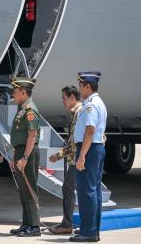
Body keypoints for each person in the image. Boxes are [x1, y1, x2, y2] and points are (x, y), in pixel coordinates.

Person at [70, 72, 107, 243]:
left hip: (89, 149)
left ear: (87, 87)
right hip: (96, 148)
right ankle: (92, 230)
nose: (79, 90)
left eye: (80, 86)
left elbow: (90, 131)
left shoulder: (91, 105)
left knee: (87, 192)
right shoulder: (98, 103)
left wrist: (82, 156)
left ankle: (89, 232)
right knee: (94, 191)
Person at [8, 76, 41, 237]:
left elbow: (32, 136)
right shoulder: (21, 108)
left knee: (29, 188)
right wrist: (14, 156)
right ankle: (27, 223)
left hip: (28, 152)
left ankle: (35, 226)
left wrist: (25, 158)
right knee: (23, 190)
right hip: (20, 151)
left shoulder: (30, 110)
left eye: (15, 91)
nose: (12, 94)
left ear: (23, 92)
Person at [49, 86, 83, 235]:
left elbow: (74, 143)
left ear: (72, 98)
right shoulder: (77, 112)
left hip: (77, 158)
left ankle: (67, 224)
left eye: (64, 98)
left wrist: (59, 155)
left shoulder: (78, 112)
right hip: (77, 157)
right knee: (74, 189)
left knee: (68, 188)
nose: (63, 101)